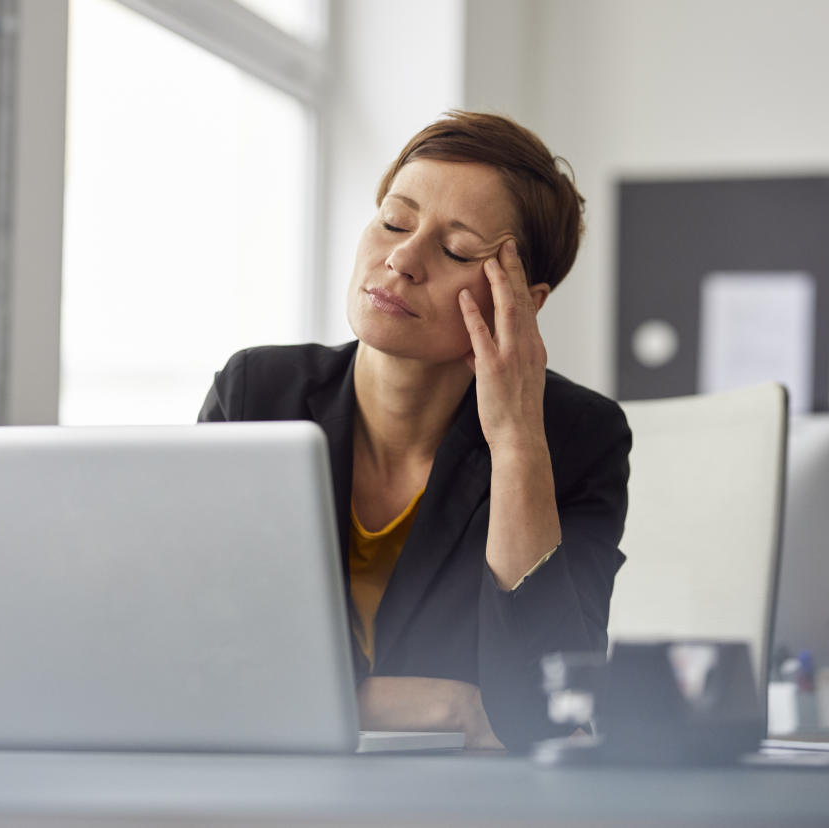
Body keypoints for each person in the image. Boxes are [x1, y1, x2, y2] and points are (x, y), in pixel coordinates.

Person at [199, 111, 631, 752]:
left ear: (523, 300)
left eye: (456, 249)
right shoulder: (258, 393)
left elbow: (543, 708)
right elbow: (202, 658)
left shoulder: (576, 438)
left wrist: (516, 445)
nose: (401, 258)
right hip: (269, 787)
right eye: (395, 221)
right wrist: (434, 703)